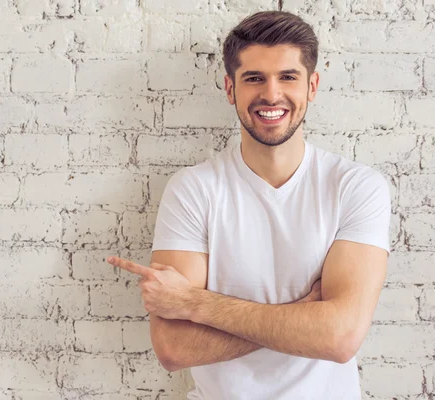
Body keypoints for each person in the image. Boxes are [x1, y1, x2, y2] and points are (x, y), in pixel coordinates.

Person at [107, 10, 391, 400]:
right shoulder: (193, 190)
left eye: (287, 77)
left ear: (312, 86)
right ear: (230, 89)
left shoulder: (355, 188)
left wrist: (194, 302)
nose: (271, 94)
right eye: (254, 78)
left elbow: (341, 337)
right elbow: (174, 348)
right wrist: (304, 315)